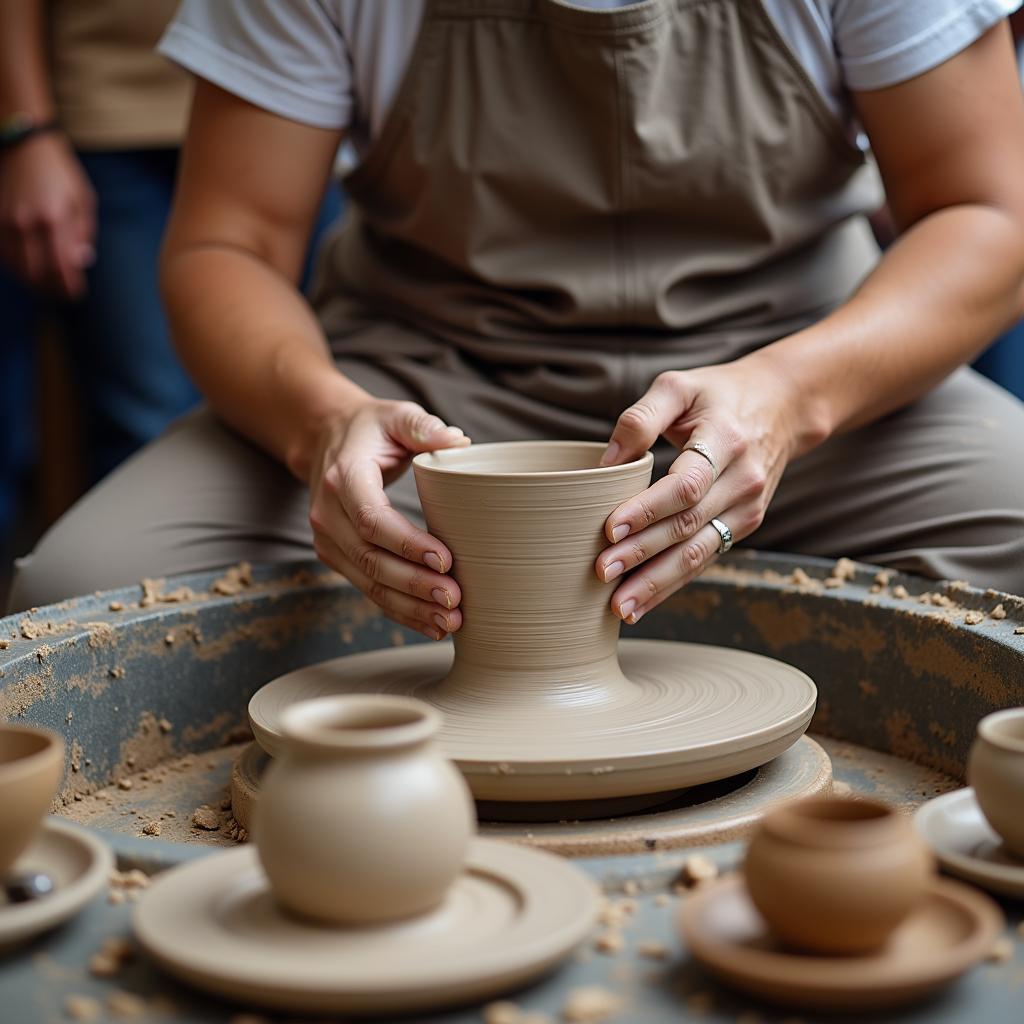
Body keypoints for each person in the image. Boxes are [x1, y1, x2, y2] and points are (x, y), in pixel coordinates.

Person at [9, 0, 1024, 630]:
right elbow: (227, 247)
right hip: (428, 394)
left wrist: (791, 395)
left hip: (791, 376)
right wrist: (323, 423)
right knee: (82, 597)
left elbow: (990, 212)